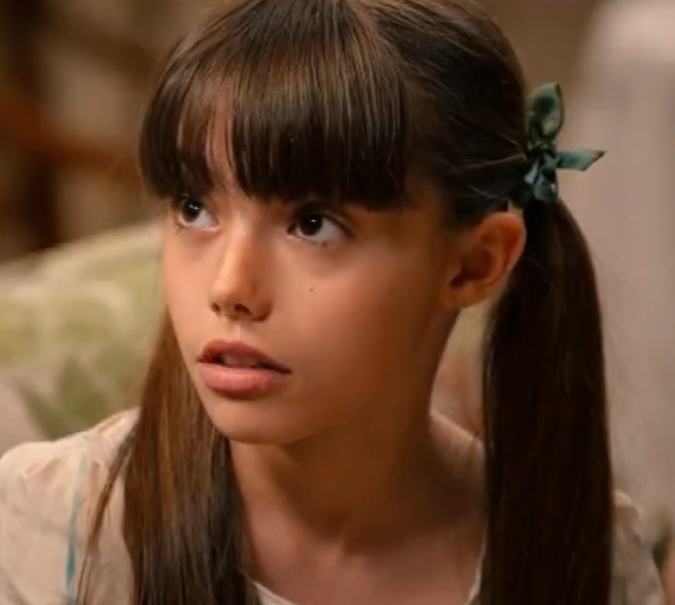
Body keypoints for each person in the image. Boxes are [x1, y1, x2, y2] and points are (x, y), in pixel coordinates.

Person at [0, 1, 665, 604]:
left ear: (473, 263)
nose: (229, 287)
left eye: (313, 224)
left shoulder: (586, 556)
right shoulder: (56, 526)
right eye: (195, 209)